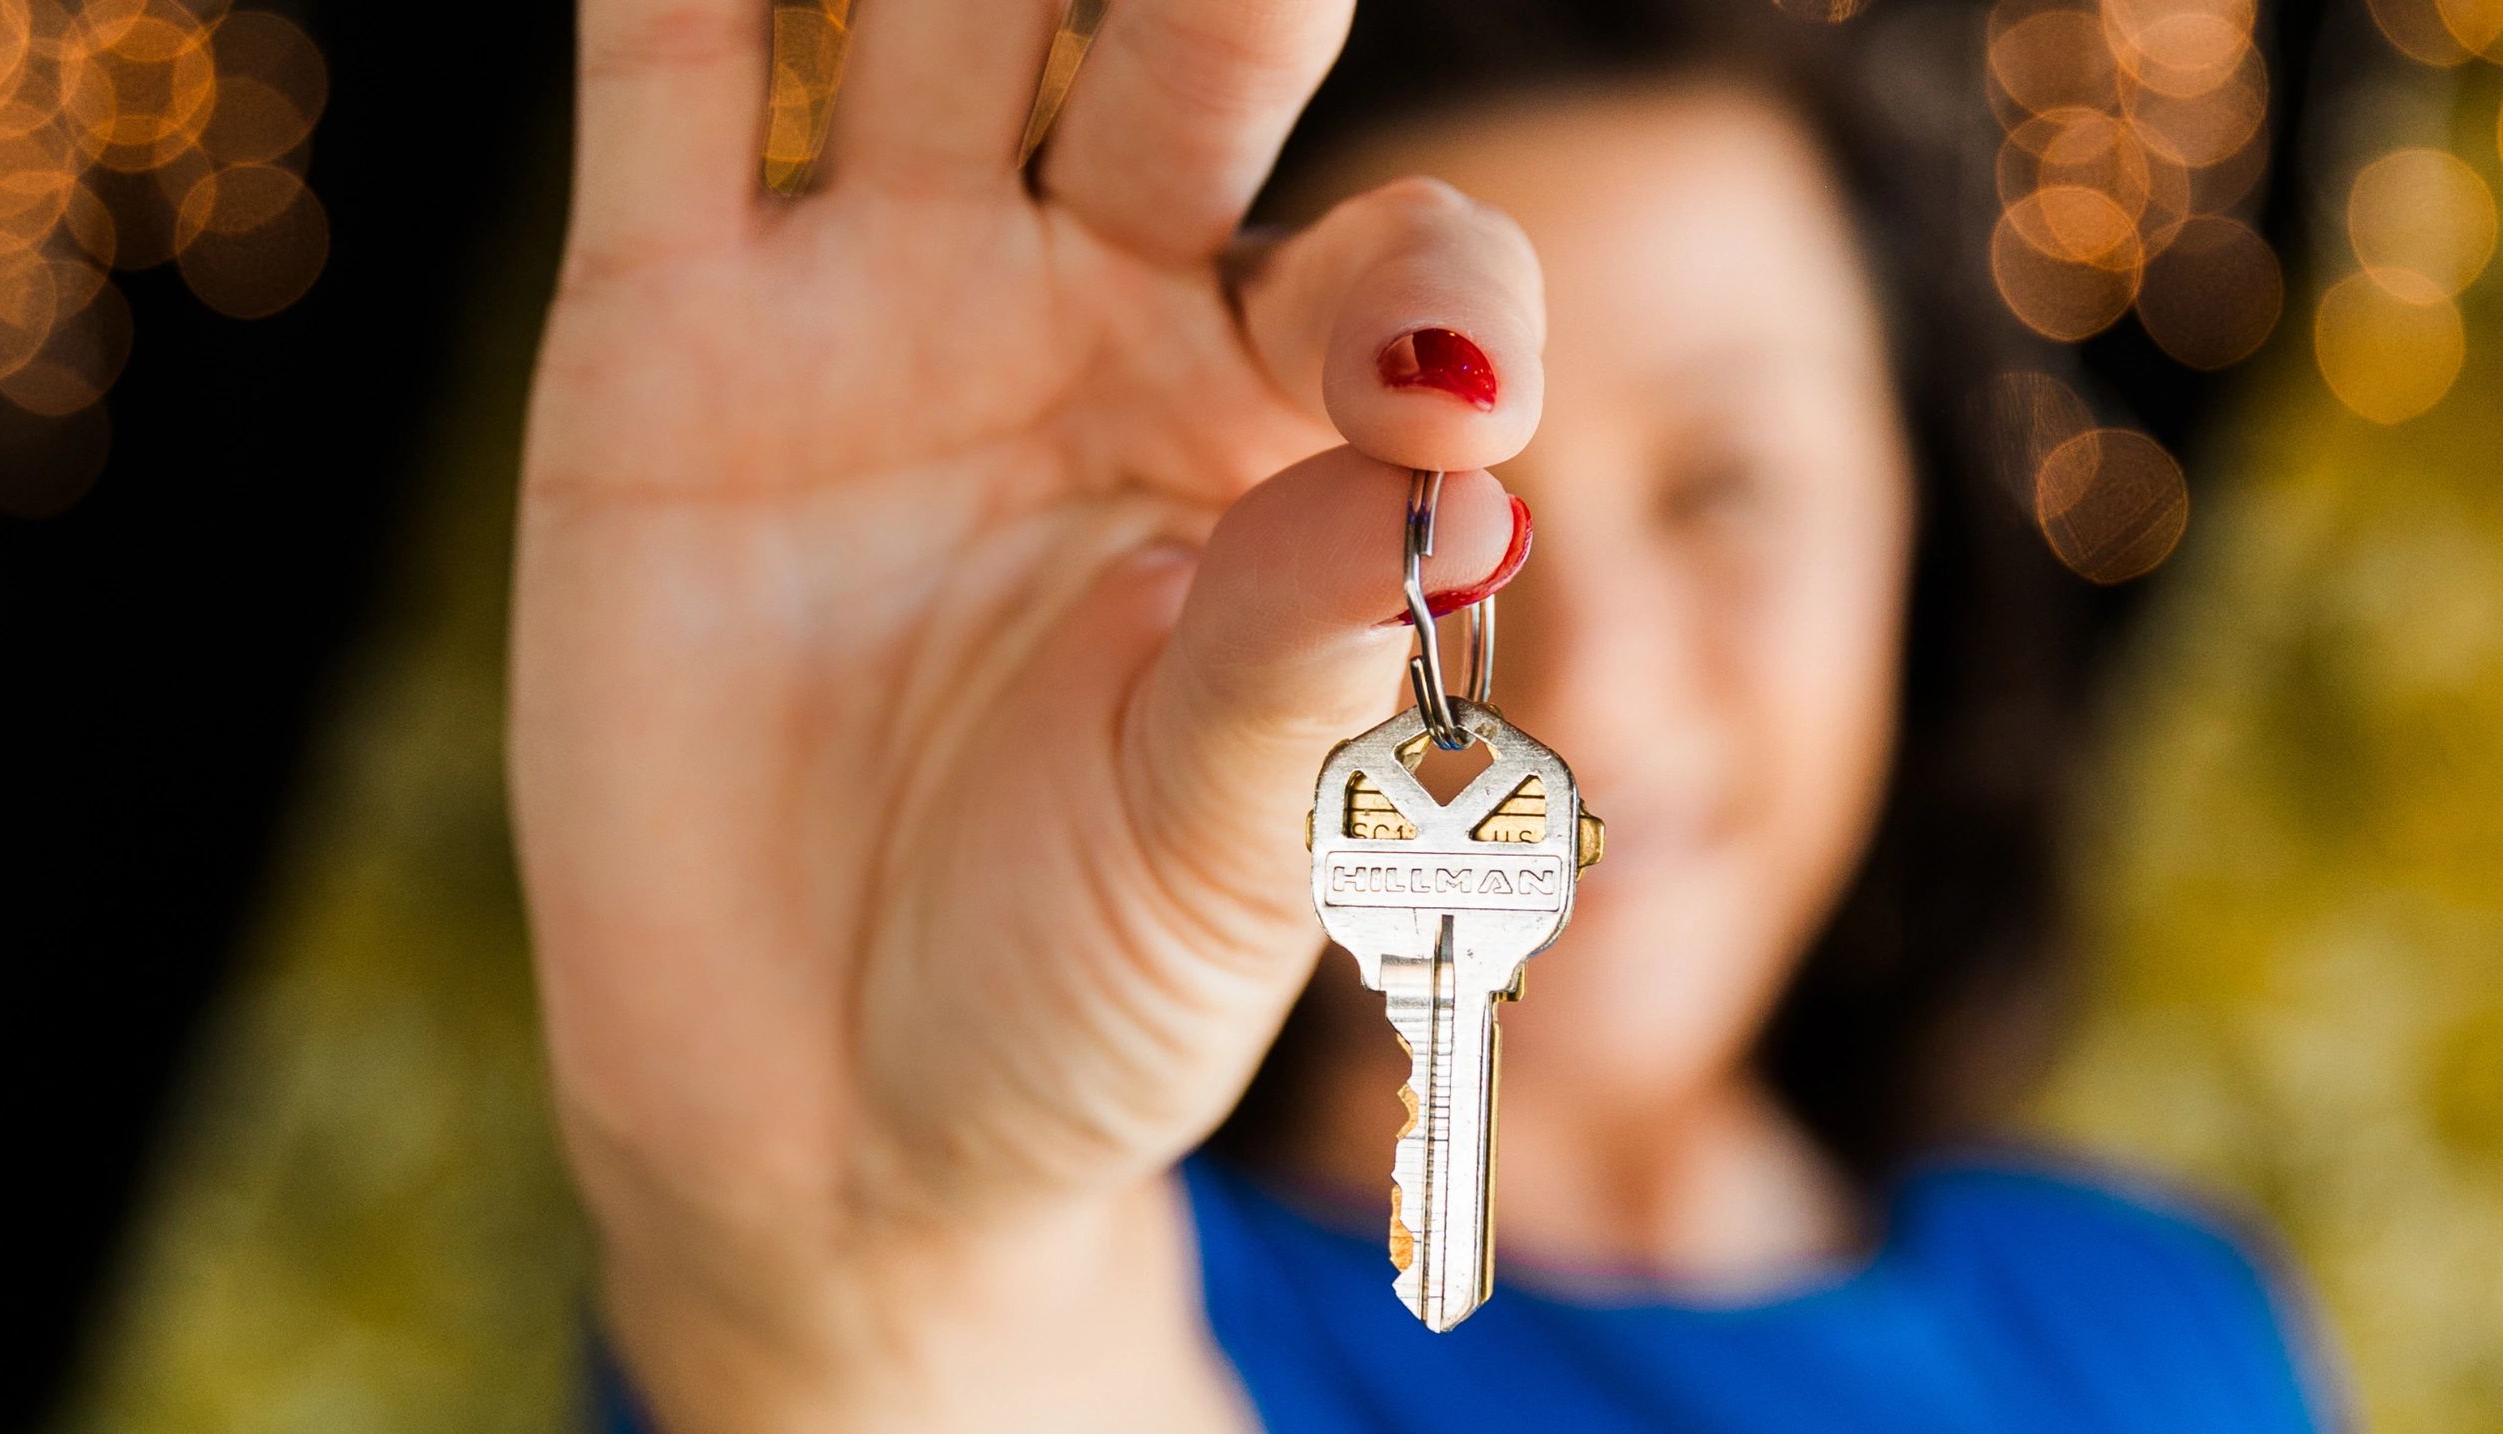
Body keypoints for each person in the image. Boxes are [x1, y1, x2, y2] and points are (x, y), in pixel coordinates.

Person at [513, 0, 2343, 1427]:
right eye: (1409, 510)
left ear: (1915, 536)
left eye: (1728, 484)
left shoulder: (2171, 1320)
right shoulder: (1021, 1294)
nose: (1584, 686)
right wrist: (866, 1264)